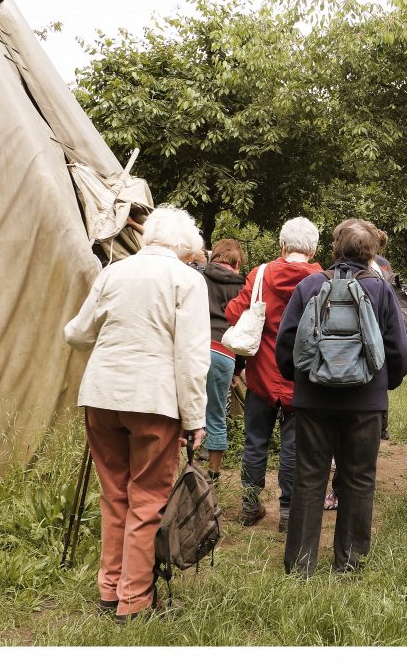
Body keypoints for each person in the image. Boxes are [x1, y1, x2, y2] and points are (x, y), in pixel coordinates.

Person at [63, 205, 210, 623]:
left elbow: (77, 333)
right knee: (148, 500)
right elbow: (191, 356)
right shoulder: (186, 280)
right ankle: (134, 601)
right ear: (186, 245)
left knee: (115, 496)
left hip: (101, 396)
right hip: (154, 401)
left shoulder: (113, 273)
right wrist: (195, 418)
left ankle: (109, 589)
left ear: (148, 237)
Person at [276, 218, 407, 575]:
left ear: (334, 248)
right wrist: (383, 384)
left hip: (313, 401)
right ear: (373, 252)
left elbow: (286, 346)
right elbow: (399, 351)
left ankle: (300, 566)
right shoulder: (381, 291)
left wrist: (301, 382)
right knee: (359, 477)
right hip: (365, 403)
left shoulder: (309, 285)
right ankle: (349, 564)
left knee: (308, 478)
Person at [224, 217, 323, 532]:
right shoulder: (323, 279)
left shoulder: (261, 274)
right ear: (313, 248)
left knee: (255, 443)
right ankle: (287, 513)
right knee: (295, 447)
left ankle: (250, 506)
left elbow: (233, 312)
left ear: (282, 245)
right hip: (303, 380)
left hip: (262, 375)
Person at [200, 238, 246, 482]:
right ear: (237, 262)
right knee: (216, 413)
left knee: (187, 412)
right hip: (223, 352)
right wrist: (237, 370)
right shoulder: (243, 288)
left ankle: (183, 471)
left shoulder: (198, 278)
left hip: (195, 349)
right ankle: (213, 476)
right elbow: (243, 330)